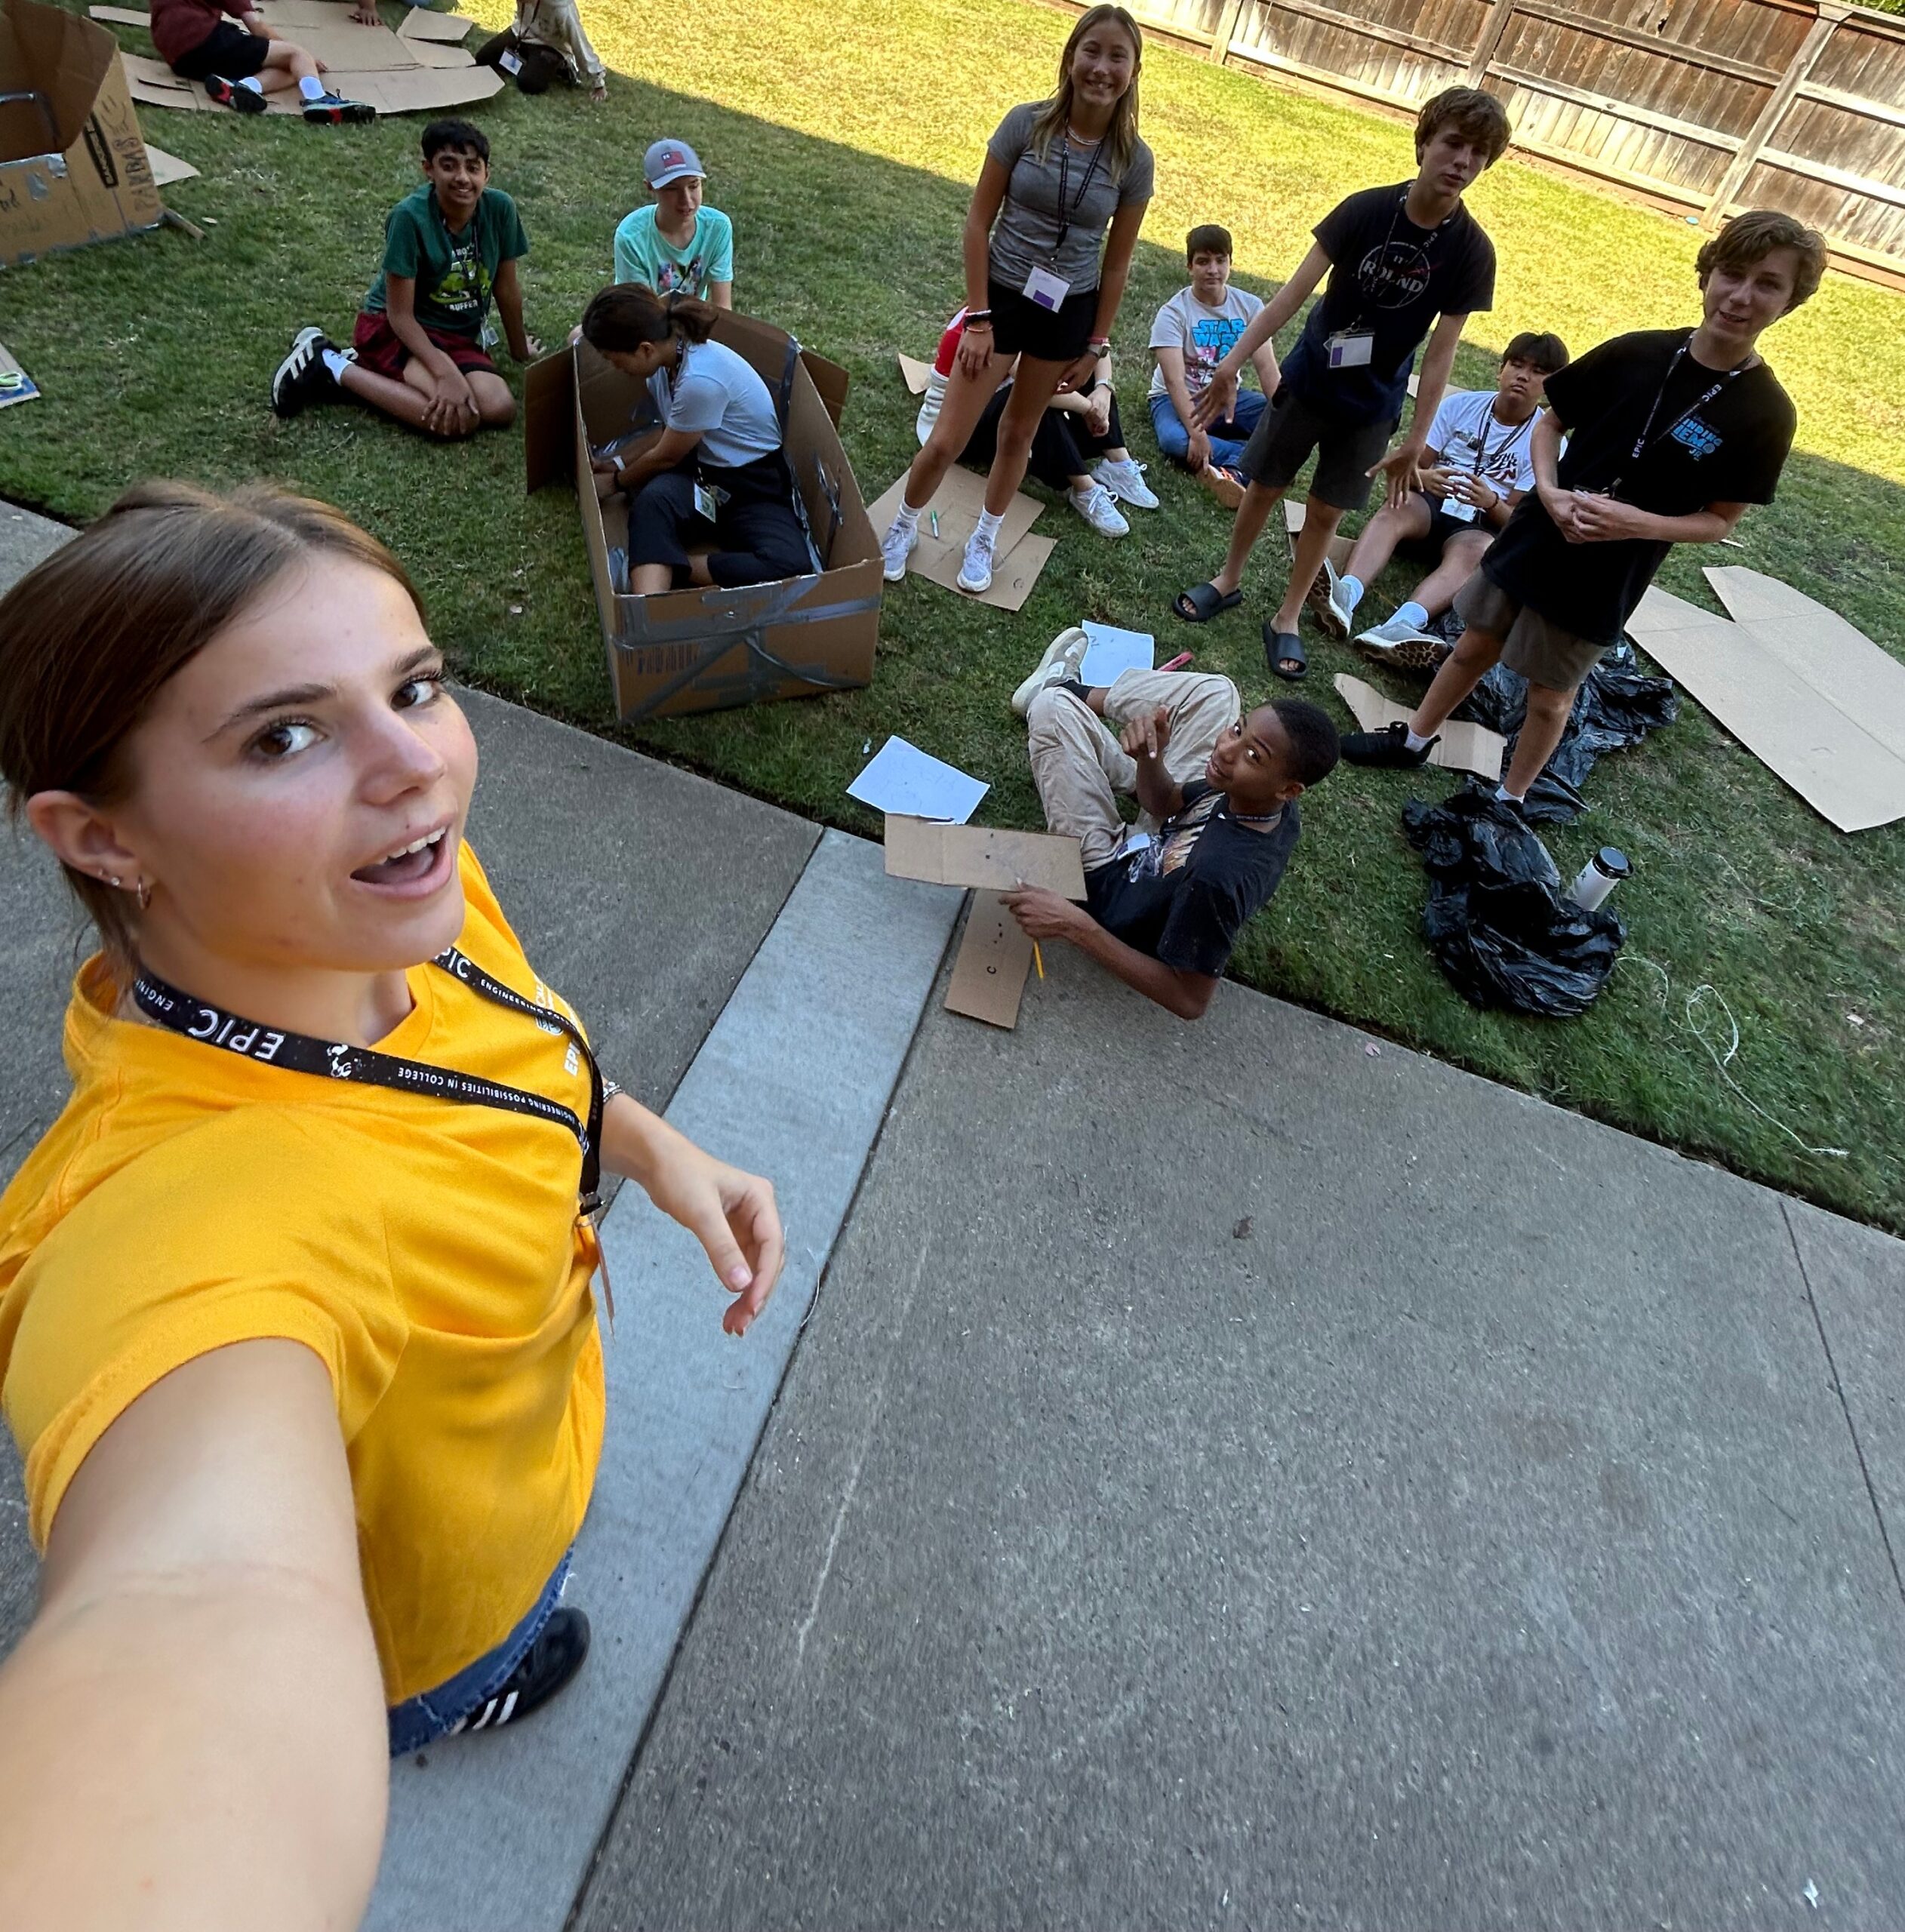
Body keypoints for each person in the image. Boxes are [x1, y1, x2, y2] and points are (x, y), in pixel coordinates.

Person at [0, 482, 784, 1926]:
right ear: (103, 839)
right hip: (429, 1612)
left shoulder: (397, 897)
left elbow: (507, 1055)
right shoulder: (182, 1215)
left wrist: (657, 1151)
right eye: (283, 734)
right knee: (462, 1668)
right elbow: (190, 1599)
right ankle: (461, 1703)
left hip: (524, 1441)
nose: (412, 764)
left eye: (414, 687)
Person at [1340, 210, 1820, 805]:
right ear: (1708, 275)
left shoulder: (1767, 412)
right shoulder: (1636, 352)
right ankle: (1414, 740)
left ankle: (1508, 799)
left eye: (1768, 284)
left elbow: (1720, 520)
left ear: (1791, 299)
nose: (1741, 296)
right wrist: (1548, 490)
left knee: (1549, 694)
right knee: (1473, 643)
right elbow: (1551, 422)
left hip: (1610, 571)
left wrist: (1634, 523)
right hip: (1537, 533)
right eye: (1733, 273)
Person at [1174, 87, 1507, 683]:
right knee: (1264, 486)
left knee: (1326, 513)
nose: (1462, 160)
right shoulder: (1365, 210)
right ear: (1425, 142)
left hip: (1373, 407)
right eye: (1453, 143)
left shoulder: (1472, 252)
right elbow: (1290, 297)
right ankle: (1229, 581)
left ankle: (1289, 616)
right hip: (1307, 381)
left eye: (1478, 153)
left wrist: (1417, 437)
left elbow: (1440, 355)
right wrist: (1232, 364)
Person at [881, 5, 1153, 595]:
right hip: (1000, 300)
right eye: (1092, 51)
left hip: (1068, 312)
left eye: (1117, 57)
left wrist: (1097, 342)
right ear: (1071, 56)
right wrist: (978, 318)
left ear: (1133, 71)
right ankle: (902, 526)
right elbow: (978, 223)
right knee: (949, 437)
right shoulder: (1024, 125)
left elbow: (1116, 262)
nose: (1101, 68)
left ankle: (985, 537)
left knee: (1018, 433)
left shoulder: (1133, 160)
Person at [1002, 629, 1340, 1020]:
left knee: (1050, 708)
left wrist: (1075, 925)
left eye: (1252, 755)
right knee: (1218, 692)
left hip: (1106, 881)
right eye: (1237, 729)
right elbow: (1164, 802)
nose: (1226, 749)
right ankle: (1081, 694)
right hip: (1162, 840)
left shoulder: (1215, 879)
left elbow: (1189, 999)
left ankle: (1058, 692)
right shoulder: (1249, 796)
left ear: (1289, 790)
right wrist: (1152, 758)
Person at [270, 120, 542, 439]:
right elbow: (400, 316)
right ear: (429, 170)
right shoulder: (409, 218)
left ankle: (370, 372)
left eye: (473, 167)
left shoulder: (500, 209)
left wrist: (519, 347)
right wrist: (445, 375)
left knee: (499, 408)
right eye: (449, 166)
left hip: (454, 333)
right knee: (460, 419)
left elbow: (506, 288)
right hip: (396, 327)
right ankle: (329, 363)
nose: (463, 178)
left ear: (487, 173)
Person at [1319, 331, 1568, 666]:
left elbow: (1519, 525)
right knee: (1398, 506)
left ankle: (1400, 627)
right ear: (1501, 369)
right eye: (1517, 364)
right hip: (1430, 507)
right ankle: (1344, 596)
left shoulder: (1547, 443)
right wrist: (1425, 477)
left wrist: (1491, 502)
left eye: (1539, 371)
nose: (1523, 376)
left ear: (1553, 386)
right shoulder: (1460, 406)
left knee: (1477, 552)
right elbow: (1408, 469)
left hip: (1479, 527)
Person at [580, 283, 811, 593]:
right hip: (704, 476)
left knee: (790, 563)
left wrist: (617, 481)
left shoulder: (699, 379)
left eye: (614, 359)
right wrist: (615, 461)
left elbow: (666, 456)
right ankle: (647, 610)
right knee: (652, 503)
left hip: (754, 486)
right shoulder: (665, 363)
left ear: (645, 349)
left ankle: (677, 567)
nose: (614, 368)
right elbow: (672, 432)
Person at [916, 308, 1158, 537]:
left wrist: (1104, 388)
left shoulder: (1051, 302)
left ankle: (1118, 462)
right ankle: (1084, 490)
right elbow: (1030, 383)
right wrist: (1089, 408)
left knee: (1081, 368)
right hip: (954, 429)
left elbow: (1097, 344)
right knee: (1029, 400)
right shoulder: (1001, 312)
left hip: (996, 397)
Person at [1147, 223, 1279, 508]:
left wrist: (1283, 419)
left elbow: (1267, 369)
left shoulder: (1250, 306)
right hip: (1176, 400)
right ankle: (1248, 462)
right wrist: (1197, 435)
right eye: (1203, 262)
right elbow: (1174, 382)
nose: (1213, 270)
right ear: (1189, 266)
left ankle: (1235, 463)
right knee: (1174, 440)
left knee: (1281, 421)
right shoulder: (1173, 313)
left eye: (1221, 260)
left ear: (1231, 262)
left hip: (1228, 399)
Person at [149, 0, 372, 122]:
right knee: (296, 55)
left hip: (179, 58)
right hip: (205, 38)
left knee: (292, 69)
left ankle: (245, 87)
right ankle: (318, 99)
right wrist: (305, 59)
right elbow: (258, 29)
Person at [613, 140, 734, 308]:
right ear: (650, 187)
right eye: (672, 189)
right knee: (579, 333)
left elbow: (723, 308)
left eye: (693, 186)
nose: (686, 200)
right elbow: (640, 315)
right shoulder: (631, 236)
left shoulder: (718, 227)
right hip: (643, 323)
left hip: (693, 322)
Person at [474, 0, 609, 104]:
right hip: (522, 33)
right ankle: (524, 61)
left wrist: (598, 82)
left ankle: (562, 66)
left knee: (530, 84)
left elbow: (579, 42)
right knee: (483, 58)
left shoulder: (562, 8)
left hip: (549, 44)